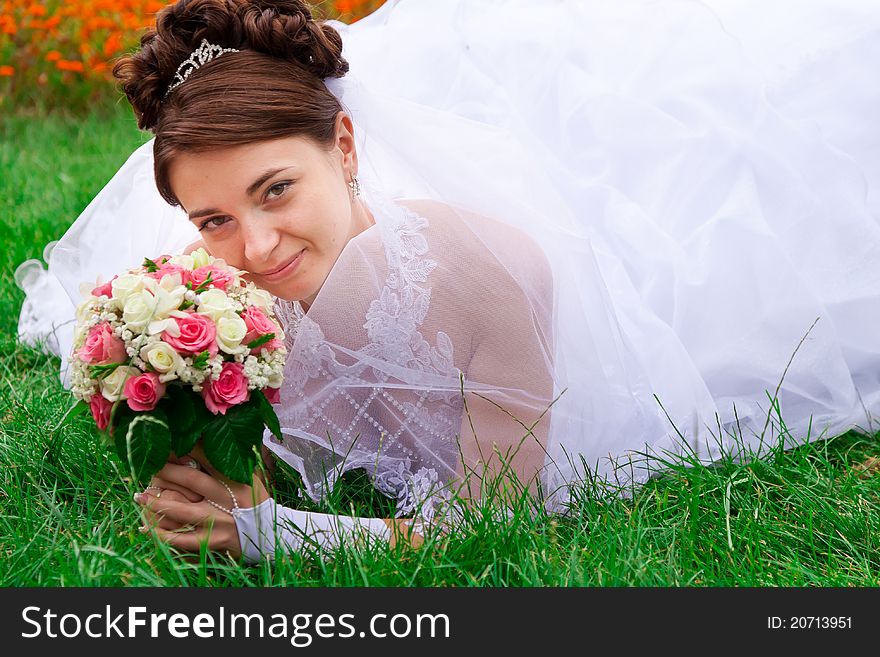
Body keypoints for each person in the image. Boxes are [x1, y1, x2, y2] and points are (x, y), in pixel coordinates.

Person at [15, 0, 880, 563]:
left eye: (276, 189)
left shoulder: (495, 277)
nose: (258, 245)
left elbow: (494, 523)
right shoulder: (203, 297)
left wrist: (271, 531)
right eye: (213, 219)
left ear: (345, 149)